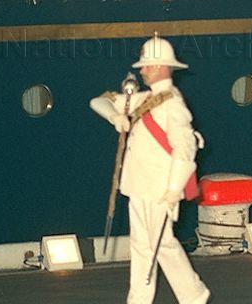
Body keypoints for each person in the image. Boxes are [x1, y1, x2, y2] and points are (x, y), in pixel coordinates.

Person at [89, 35, 210, 304]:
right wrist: (116, 116)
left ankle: (187, 296)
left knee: (156, 246)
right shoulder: (141, 99)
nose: (141, 71)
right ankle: (175, 296)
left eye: (146, 65)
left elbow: (186, 148)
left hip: (159, 187)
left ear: (159, 67)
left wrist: (173, 190)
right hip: (139, 185)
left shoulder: (172, 103)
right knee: (150, 246)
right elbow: (98, 101)